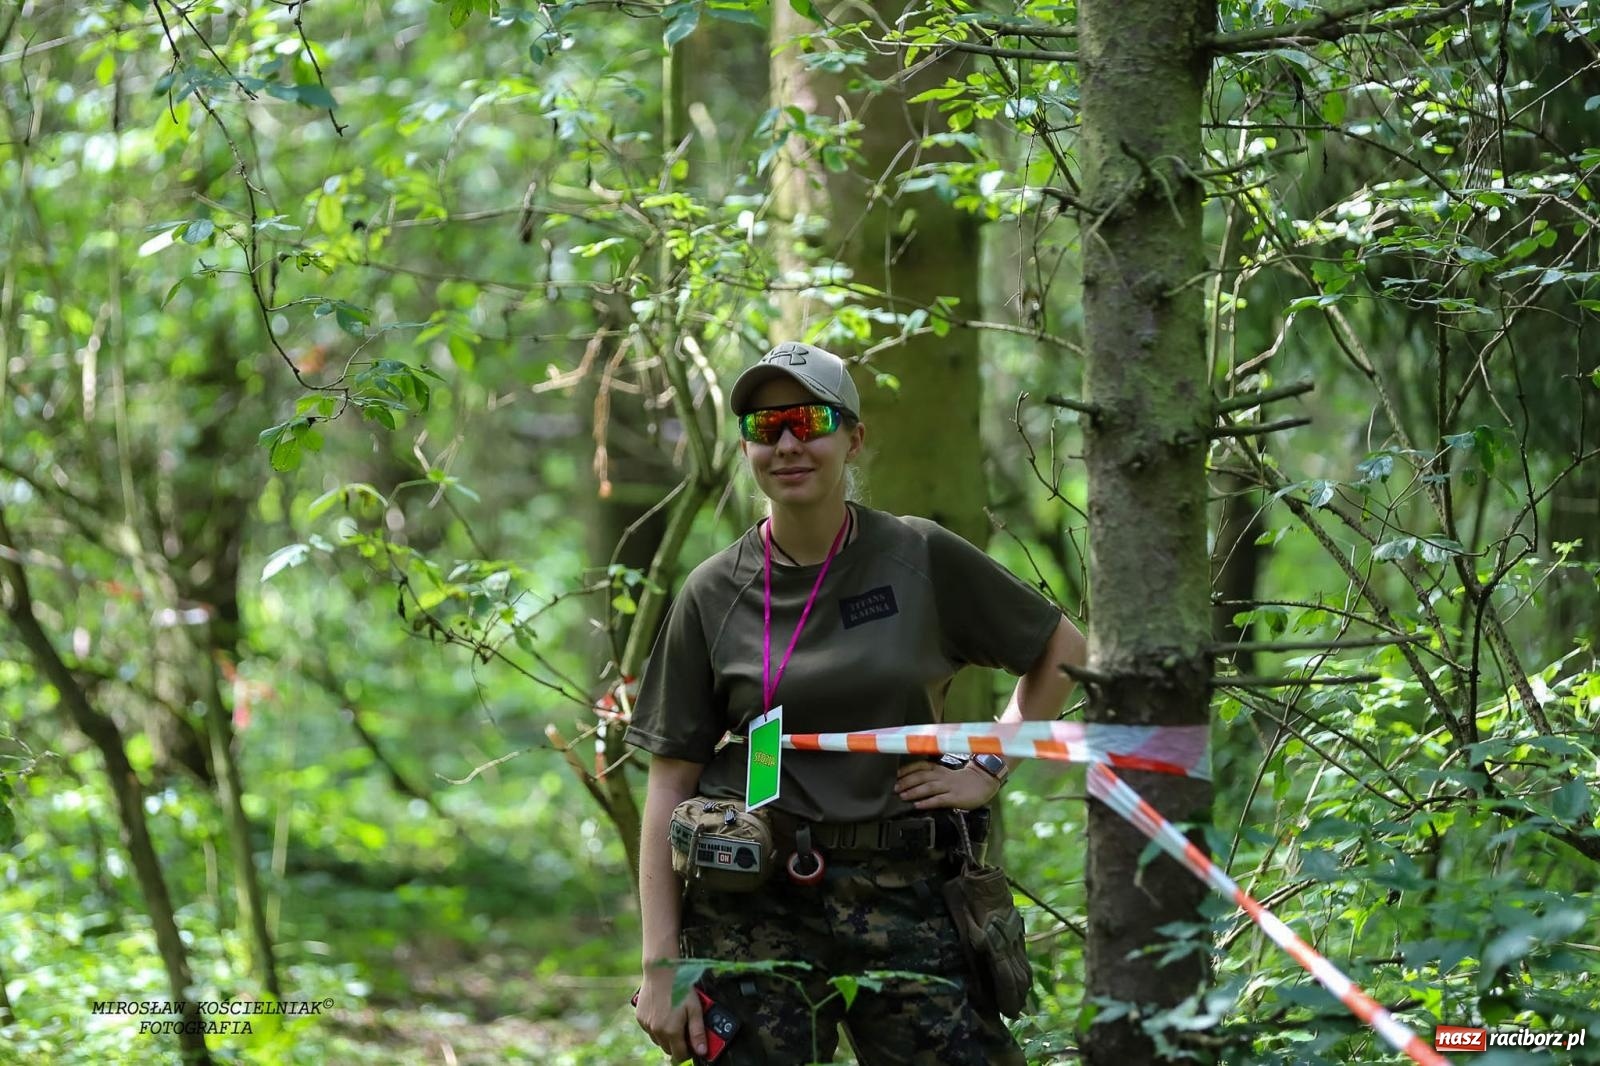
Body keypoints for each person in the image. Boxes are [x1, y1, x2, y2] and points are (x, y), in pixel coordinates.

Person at [626, 341, 1087, 1065]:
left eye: (810, 421)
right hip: (753, 901)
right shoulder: (712, 591)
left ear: (854, 437)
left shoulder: (918, 555)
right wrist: (661, 969)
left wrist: (990, 765)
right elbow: (669, 782)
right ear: (746, 446)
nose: (787, 443)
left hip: (907, 890)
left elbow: (1062, 651)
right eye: (765, 427)